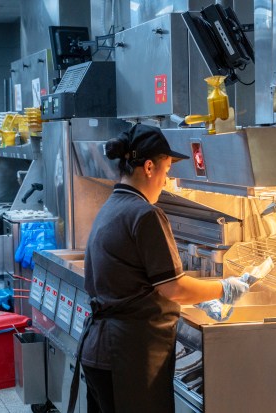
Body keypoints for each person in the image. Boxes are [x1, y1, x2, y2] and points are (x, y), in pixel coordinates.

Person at [79, 124, 250, 413]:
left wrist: (202, 295)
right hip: (128, 358)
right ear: (148, 167)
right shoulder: (145, 214)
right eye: (167, 169)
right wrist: (224, 288)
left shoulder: (113, 205)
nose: (167, 179)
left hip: (101, 352)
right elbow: (175, 287)